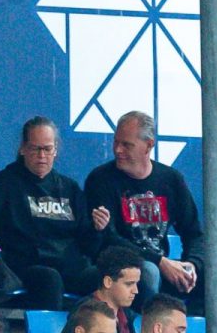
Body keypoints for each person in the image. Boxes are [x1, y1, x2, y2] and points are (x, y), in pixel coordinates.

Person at [0, 116, 99, 311]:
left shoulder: (70, 188)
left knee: (108, 277)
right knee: (49, 279)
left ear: (56, 151)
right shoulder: (4, 183)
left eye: (47, 149)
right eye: (36, 149)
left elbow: (88, 243)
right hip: (25, 268)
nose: (42, 156)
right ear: (23, 149)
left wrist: (98, 229)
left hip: (70, 267)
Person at [82, 111, 204, 305]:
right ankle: (145, 331)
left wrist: (192, 265)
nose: (117, 150)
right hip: (120, 266)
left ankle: (197, 332)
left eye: (126, 145)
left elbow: (195, 233)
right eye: (116, 142)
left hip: (159, 262)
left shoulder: (171, 180)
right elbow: (109, 239)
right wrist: (159, 261)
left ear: (149, 145)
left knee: (211, 273)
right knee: (148, 272)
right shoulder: (100, 180)